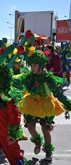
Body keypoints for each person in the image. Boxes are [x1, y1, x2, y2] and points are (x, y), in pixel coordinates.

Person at [15, 31, 71, 162]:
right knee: (30, 127)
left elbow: (57, 93)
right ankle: (37, 141)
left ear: (41, 65)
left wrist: (67, 102)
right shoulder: (29, 76)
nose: (32, 67)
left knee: (46, 129)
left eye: (35, 65)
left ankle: (48, 152)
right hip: (32, 103)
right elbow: (18, 81)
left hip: (45, 104)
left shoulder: (47, 78)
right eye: (31, 65)